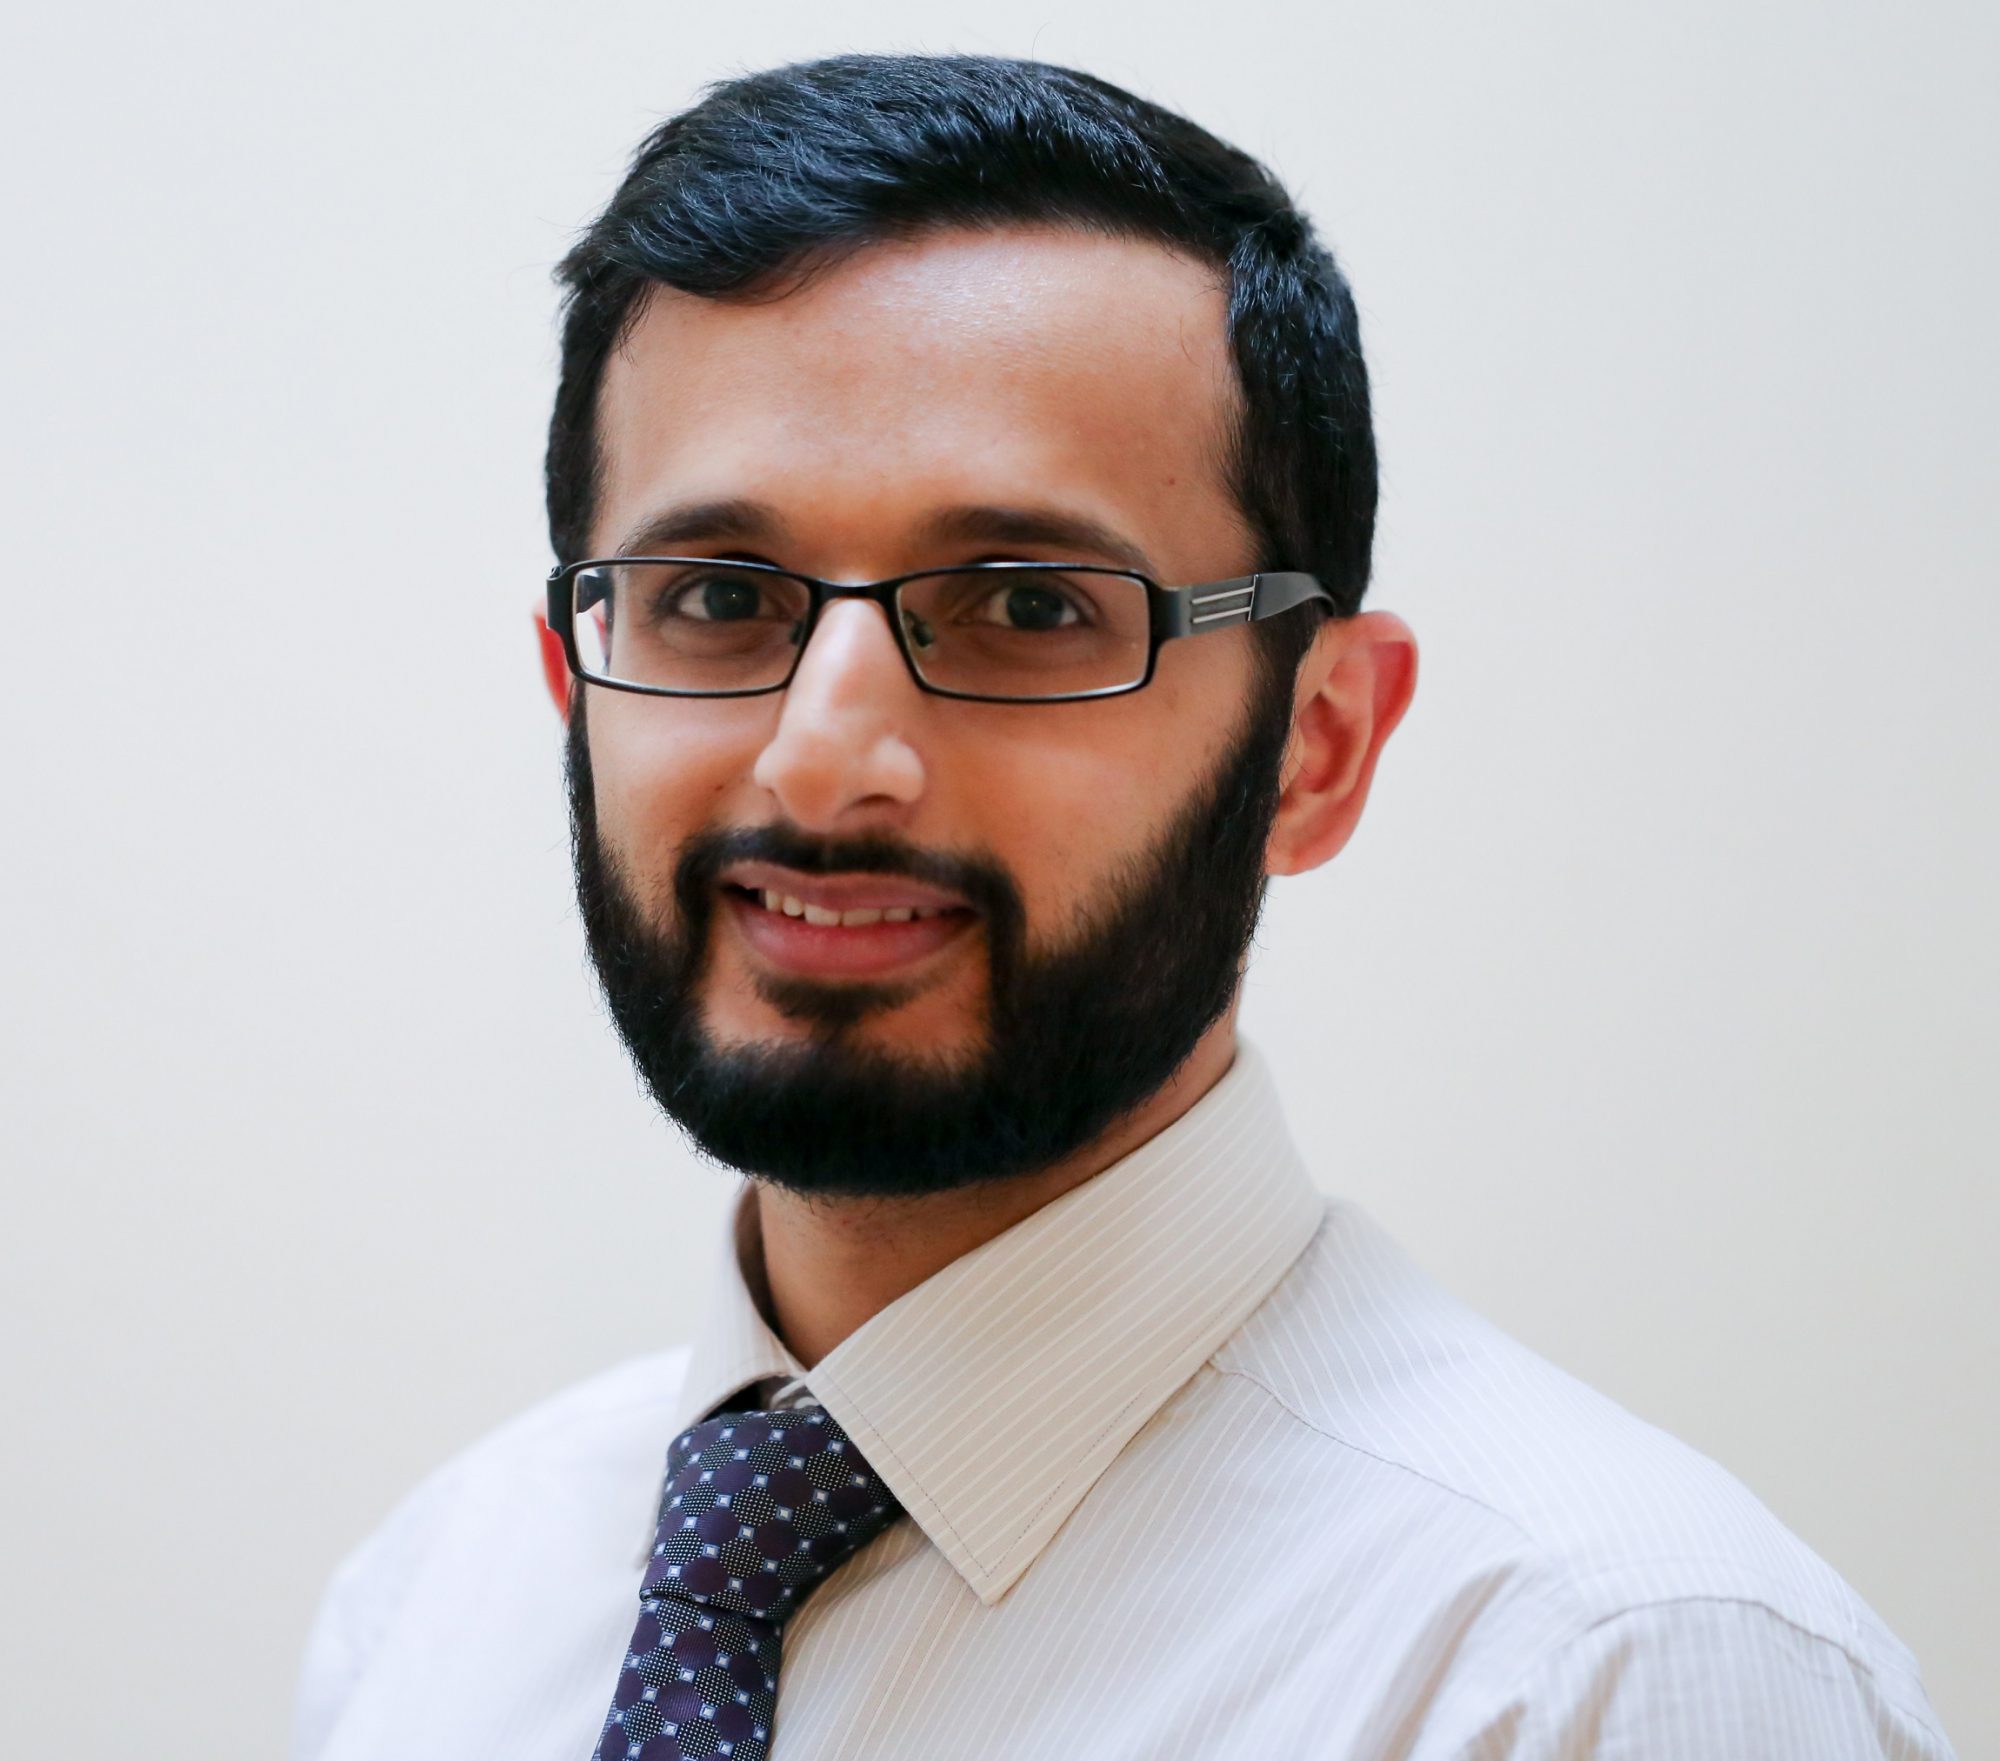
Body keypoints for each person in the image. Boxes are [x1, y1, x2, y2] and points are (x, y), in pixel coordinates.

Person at [291, 52, 1955, 1761]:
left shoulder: (1601, 1672)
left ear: (1316, 744)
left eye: (1028, 604)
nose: (824, 758)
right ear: (574, 683)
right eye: (716, 597)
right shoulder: (440, 1602)